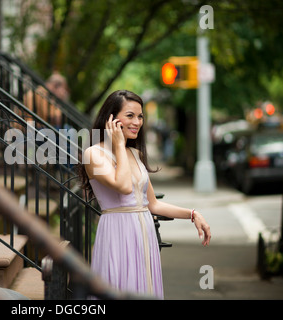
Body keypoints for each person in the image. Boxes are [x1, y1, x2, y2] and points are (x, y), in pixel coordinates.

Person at [78, 90, 211, 299]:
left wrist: (193, 214)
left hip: (144, 234)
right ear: (110, 119)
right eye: (130, 115)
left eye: (140, 116)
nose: (137, 122)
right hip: (117, 233)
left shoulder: (135, 153)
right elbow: (123, 186)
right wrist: (119, 145)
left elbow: (153, 204)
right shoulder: (93, 154)